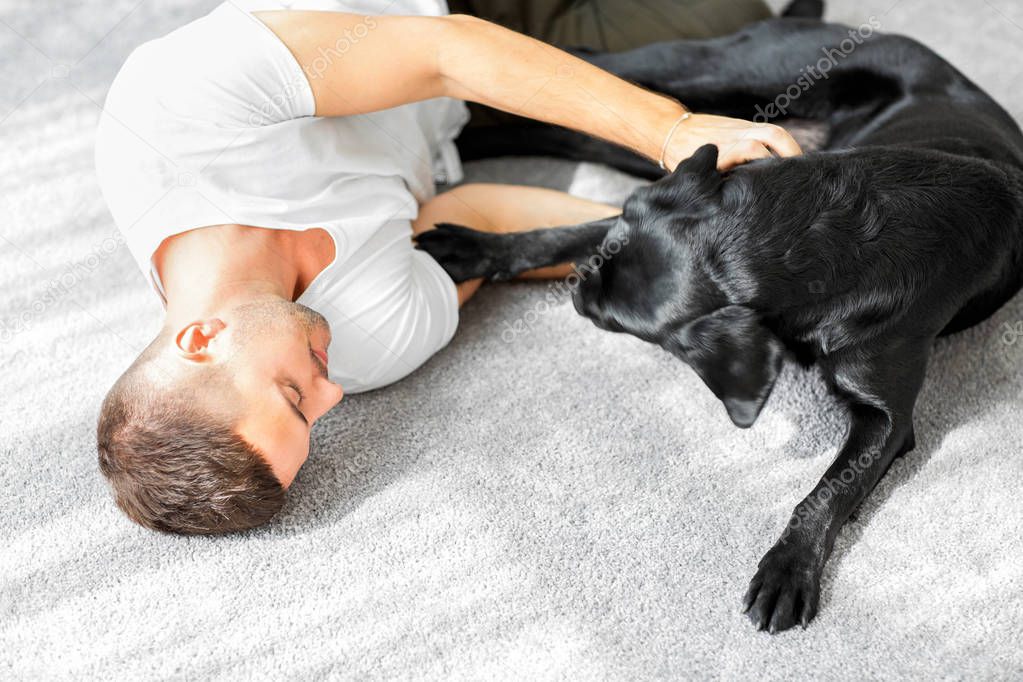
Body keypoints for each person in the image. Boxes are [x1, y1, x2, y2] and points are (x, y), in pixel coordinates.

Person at [94, 0, 801, 534]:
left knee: (696, 96)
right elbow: (486, 223)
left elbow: (442, 52)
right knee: (736, 26)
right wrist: (686, 242)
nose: (332, 397)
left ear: (201, 339)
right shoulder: (360, 352)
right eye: (314, 421)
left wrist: (669, 132)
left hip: (432, 32)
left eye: (291, 395)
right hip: (461, 112)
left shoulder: (169, 114)